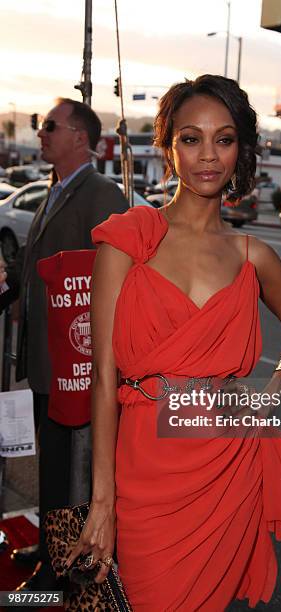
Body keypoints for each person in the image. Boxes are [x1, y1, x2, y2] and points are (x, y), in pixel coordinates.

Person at [68, 75, 281, 610]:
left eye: (224, 139)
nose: (209, 155)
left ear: (241, 150)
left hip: (226, 463)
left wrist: (268, 399)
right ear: (167, 146)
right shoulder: (129, 240)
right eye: (191, 138)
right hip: (143, 469)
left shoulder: (254, 256)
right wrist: (102, 500)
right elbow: (103, 376)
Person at [9, 98, 129, 592]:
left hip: (77, 372)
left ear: (80, 137)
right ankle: (50, 546)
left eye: (50, 126)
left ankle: (63, 569)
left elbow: (116, 284)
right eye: (41, 126)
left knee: (76, 475)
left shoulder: (103, 196)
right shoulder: (57, 190)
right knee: (53, 467)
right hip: (46, 363)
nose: (41, 133)